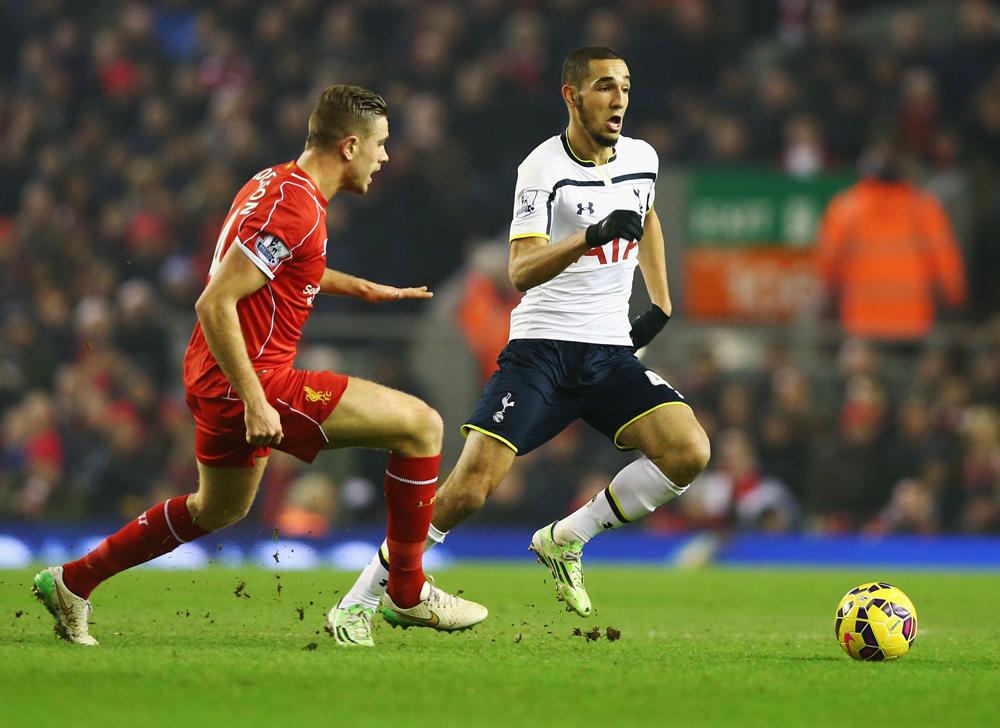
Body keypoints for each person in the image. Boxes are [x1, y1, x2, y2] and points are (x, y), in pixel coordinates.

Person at [31, 84, 486, 647]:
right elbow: (215, 301)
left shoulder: (275, 183)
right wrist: (254, 400)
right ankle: (407, 591)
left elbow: (283, 264)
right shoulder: (294, 207)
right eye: (381, 144)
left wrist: (360, 288)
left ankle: (73, 581)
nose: (385, 156)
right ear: (349, 146)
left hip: (213, 372)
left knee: (217, 507)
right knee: (422, 426)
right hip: (253, 378)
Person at [338, 47, 711, 641]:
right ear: (572, 95)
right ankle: (359, 600)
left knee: (688, 450)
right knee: (470, 489)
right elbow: (520, 270)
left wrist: (661, 304)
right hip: (542, 352)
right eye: (604, 87)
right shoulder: (542, 167)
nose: (619, 99)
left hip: (609, 353)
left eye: (625, 86)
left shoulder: (643, 158)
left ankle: (567, 538)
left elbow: (647, 216)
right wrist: (589, 236)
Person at [815, 139, 967, 342]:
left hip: (861, 321)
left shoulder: (845, 208)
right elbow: (946, 266)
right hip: (913, 322)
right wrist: (955, 300)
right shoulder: (924, 209)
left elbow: (828, 266)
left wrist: (828, 302)